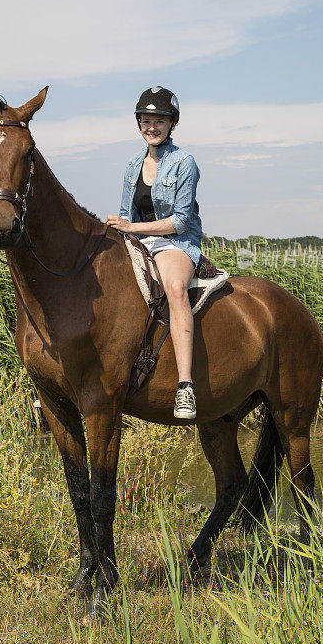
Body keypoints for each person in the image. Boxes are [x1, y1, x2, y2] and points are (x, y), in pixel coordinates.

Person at [105, 87, 202, 419]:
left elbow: (180, 220)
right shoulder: (133, 163)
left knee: (175, 289)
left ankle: (185, 385)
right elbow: (125, 212)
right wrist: (118, 230)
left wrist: (132, 229)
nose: (151, 127)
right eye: (146, 121)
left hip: (175, 241)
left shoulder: (184, 163)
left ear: (171, 123)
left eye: (159, 121)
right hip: (139, 239)